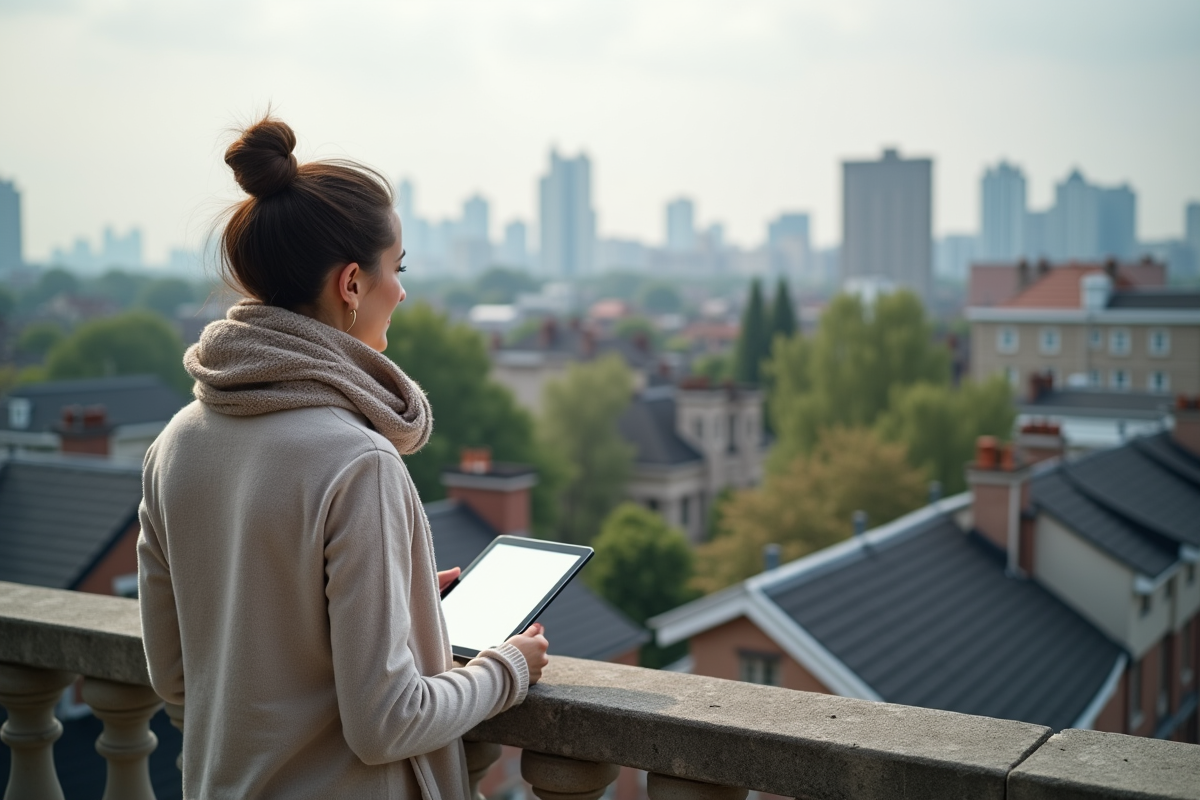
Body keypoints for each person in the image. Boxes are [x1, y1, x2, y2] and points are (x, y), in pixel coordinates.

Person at [137, 115, 549, 799]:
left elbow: (176, 680)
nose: (404, 290)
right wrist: (510, 667)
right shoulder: (358, 462)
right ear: (352, 283)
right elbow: (386, 723)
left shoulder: (174, 443)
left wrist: (407, 607)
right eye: (399, 267)